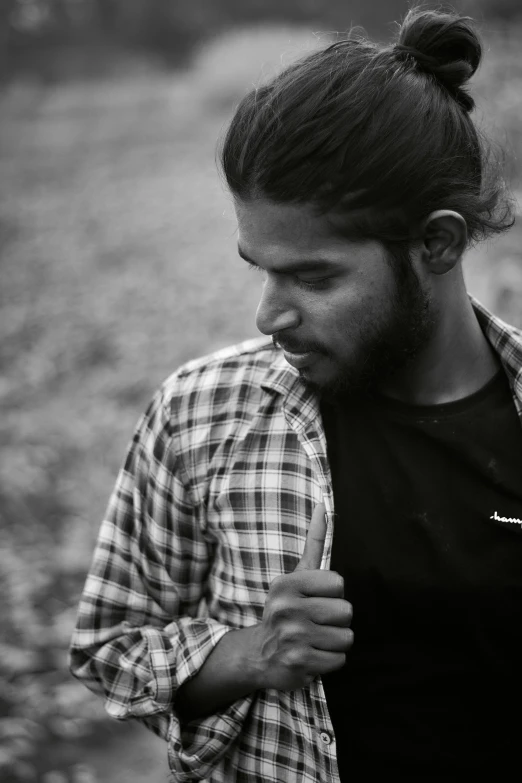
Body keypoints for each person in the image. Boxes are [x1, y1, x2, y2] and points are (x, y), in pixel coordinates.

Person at [69, 6, 522, 782]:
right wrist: (247, 655)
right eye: (262, 267)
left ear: (437, 243)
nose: (269, 313)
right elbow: (111, 646)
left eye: (314, 276)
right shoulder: (201, 415)